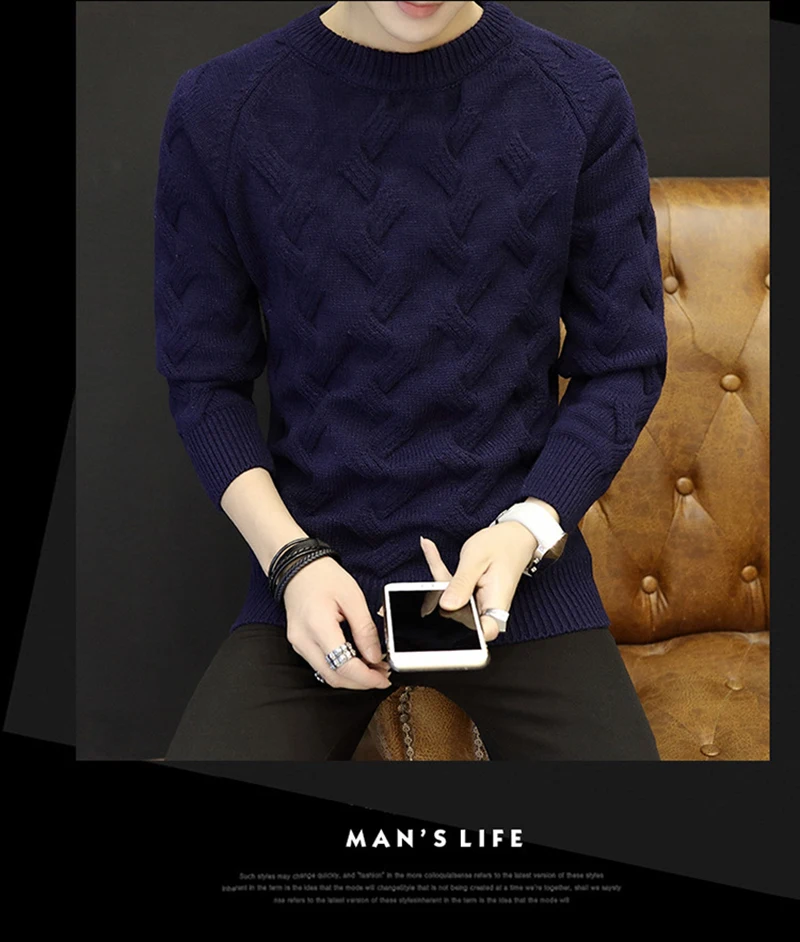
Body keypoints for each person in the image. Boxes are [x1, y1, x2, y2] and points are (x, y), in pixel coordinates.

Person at [154, 0, 668, 761]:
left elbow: (622, 358)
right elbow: (203, 379)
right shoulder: (221, 107)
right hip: (314, 576)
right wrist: (291, 562)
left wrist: (529, 528)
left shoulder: (580, 95)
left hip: (517, 584)